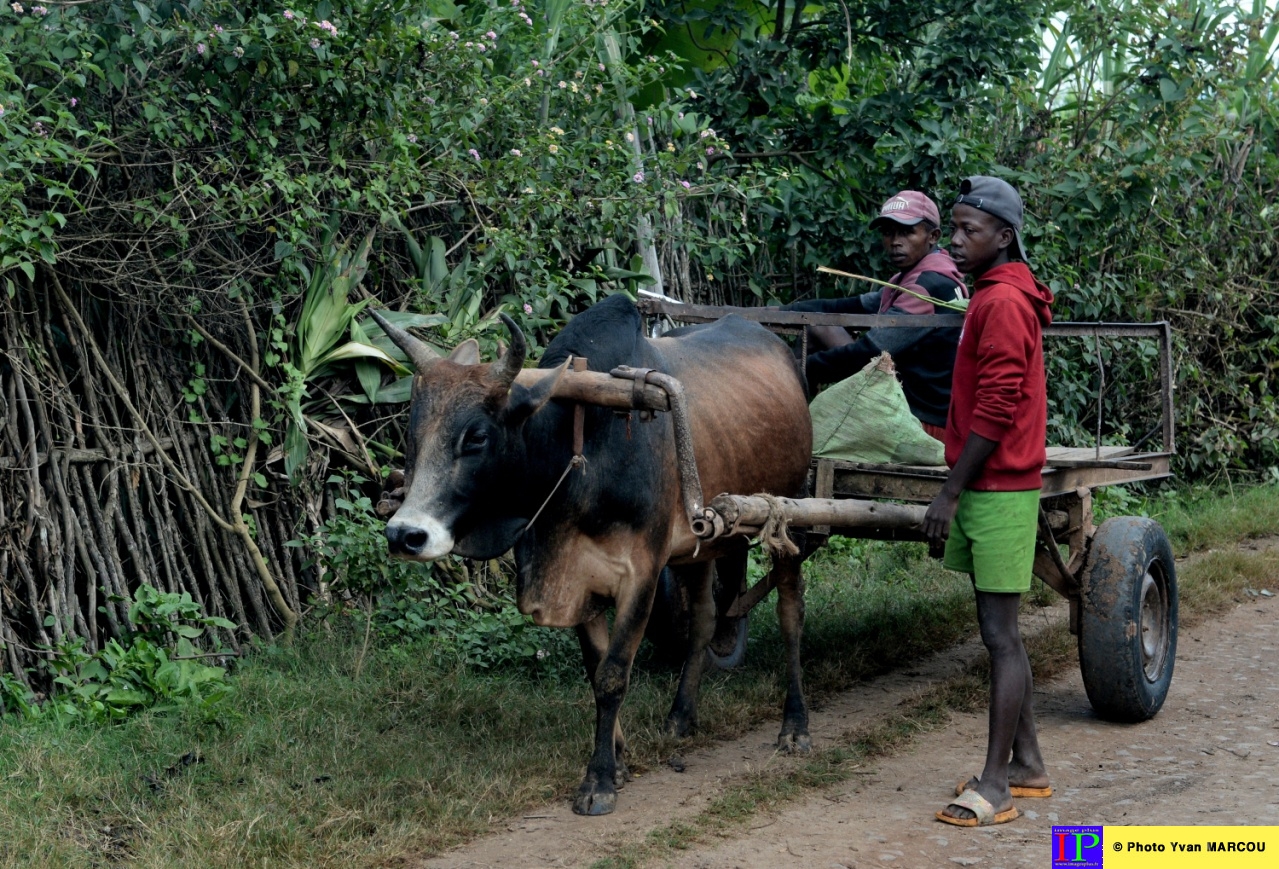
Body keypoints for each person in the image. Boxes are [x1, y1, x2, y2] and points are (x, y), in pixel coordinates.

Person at [924, 176, 1055, 827]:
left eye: (967, 229)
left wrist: (948, 489)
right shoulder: (991, 296)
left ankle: (997, 783)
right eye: (952, 227)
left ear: (1002, 235)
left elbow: (998, 405)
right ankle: (1026, 763)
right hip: (988, 485)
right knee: (996, 631)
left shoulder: (1001, 303)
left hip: (999, 488)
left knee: (1001, 637)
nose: (954, 239)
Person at [783, 190, 967, 440]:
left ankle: (785, 414)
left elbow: (868, 353)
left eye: (907, 232)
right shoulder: (921, 275)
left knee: (817, 337)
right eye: (888, 232)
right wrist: (779, 312)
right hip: (929, 407)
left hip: (922, 419)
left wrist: (794, 370)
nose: (895, 241)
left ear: (933, 236)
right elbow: (846, 306)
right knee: (817, 324)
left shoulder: (927, 285)